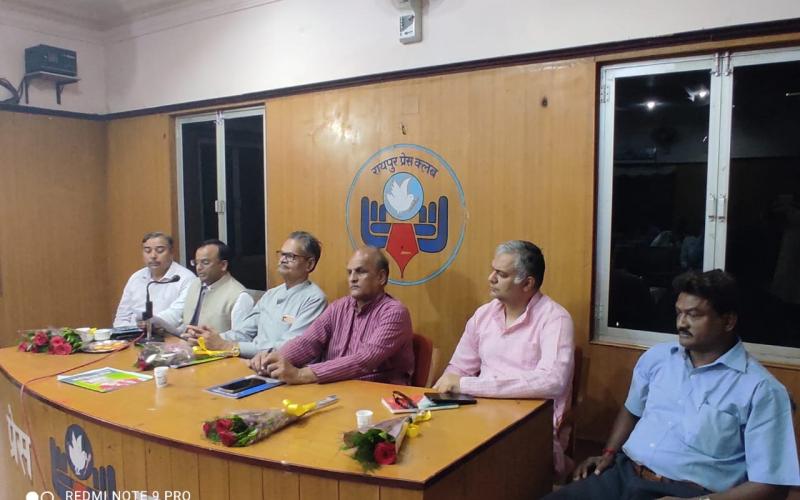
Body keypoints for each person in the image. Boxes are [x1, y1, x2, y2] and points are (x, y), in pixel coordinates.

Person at [546, 269, 800, 500]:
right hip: (624, 474)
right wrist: (609, 453)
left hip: (692, 493)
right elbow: (632, 410)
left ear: (728, 321)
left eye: (694, 315)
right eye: (679, 312)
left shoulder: (762, 391)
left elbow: (770, 485)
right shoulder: (657, 359)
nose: (681, 323)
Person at [433, 240, 575, 479]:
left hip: (529, 425)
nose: (491, 278)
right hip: (476, 414)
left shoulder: (555, 319)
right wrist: (439, 396)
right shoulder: (483, 315)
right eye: (493, 270)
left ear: (527, 283)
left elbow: (552, 381)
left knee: (486, 470)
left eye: (501, 274)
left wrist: (468, 385)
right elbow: (457, 369)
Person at [253, 246, 414, 385]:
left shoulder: (395, 313)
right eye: (349, 272)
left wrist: (301, 375)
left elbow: (364, 360)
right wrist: (274, 360)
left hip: (378, 395)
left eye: (360, 272)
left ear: (381, 277)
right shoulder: (339, 307)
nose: (352, 279)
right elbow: (307, 342)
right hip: (335, 388)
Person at [185, 231, 326, 358]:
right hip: (253, 364)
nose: (283, 260)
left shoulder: (314, 299)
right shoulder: (271, 294)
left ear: (309, 264)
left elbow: (289, 348)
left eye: (291, 256)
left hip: (285, 371)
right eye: (282, 254)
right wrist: (208, 339)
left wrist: (231, 347)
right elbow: (244, 332)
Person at [167, 239, 253, 335]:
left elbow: (241, 336)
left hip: (215, 349)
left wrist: (208, 339)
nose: (198, 268)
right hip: (186, 345)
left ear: (223, 265)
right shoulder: (194, 284)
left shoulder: (239, 296)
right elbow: (188, 322)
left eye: (205, 262)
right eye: (196, 262)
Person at [113, 231, 195, 328]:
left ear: (171, 252)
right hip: (133, 335)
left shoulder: (186, 278)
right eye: (147, 251)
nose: (153, 256)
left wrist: (147, 324)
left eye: (160, 250)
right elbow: (122, 317)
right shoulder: (136, 277)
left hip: (168, 336)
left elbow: (176, 315)